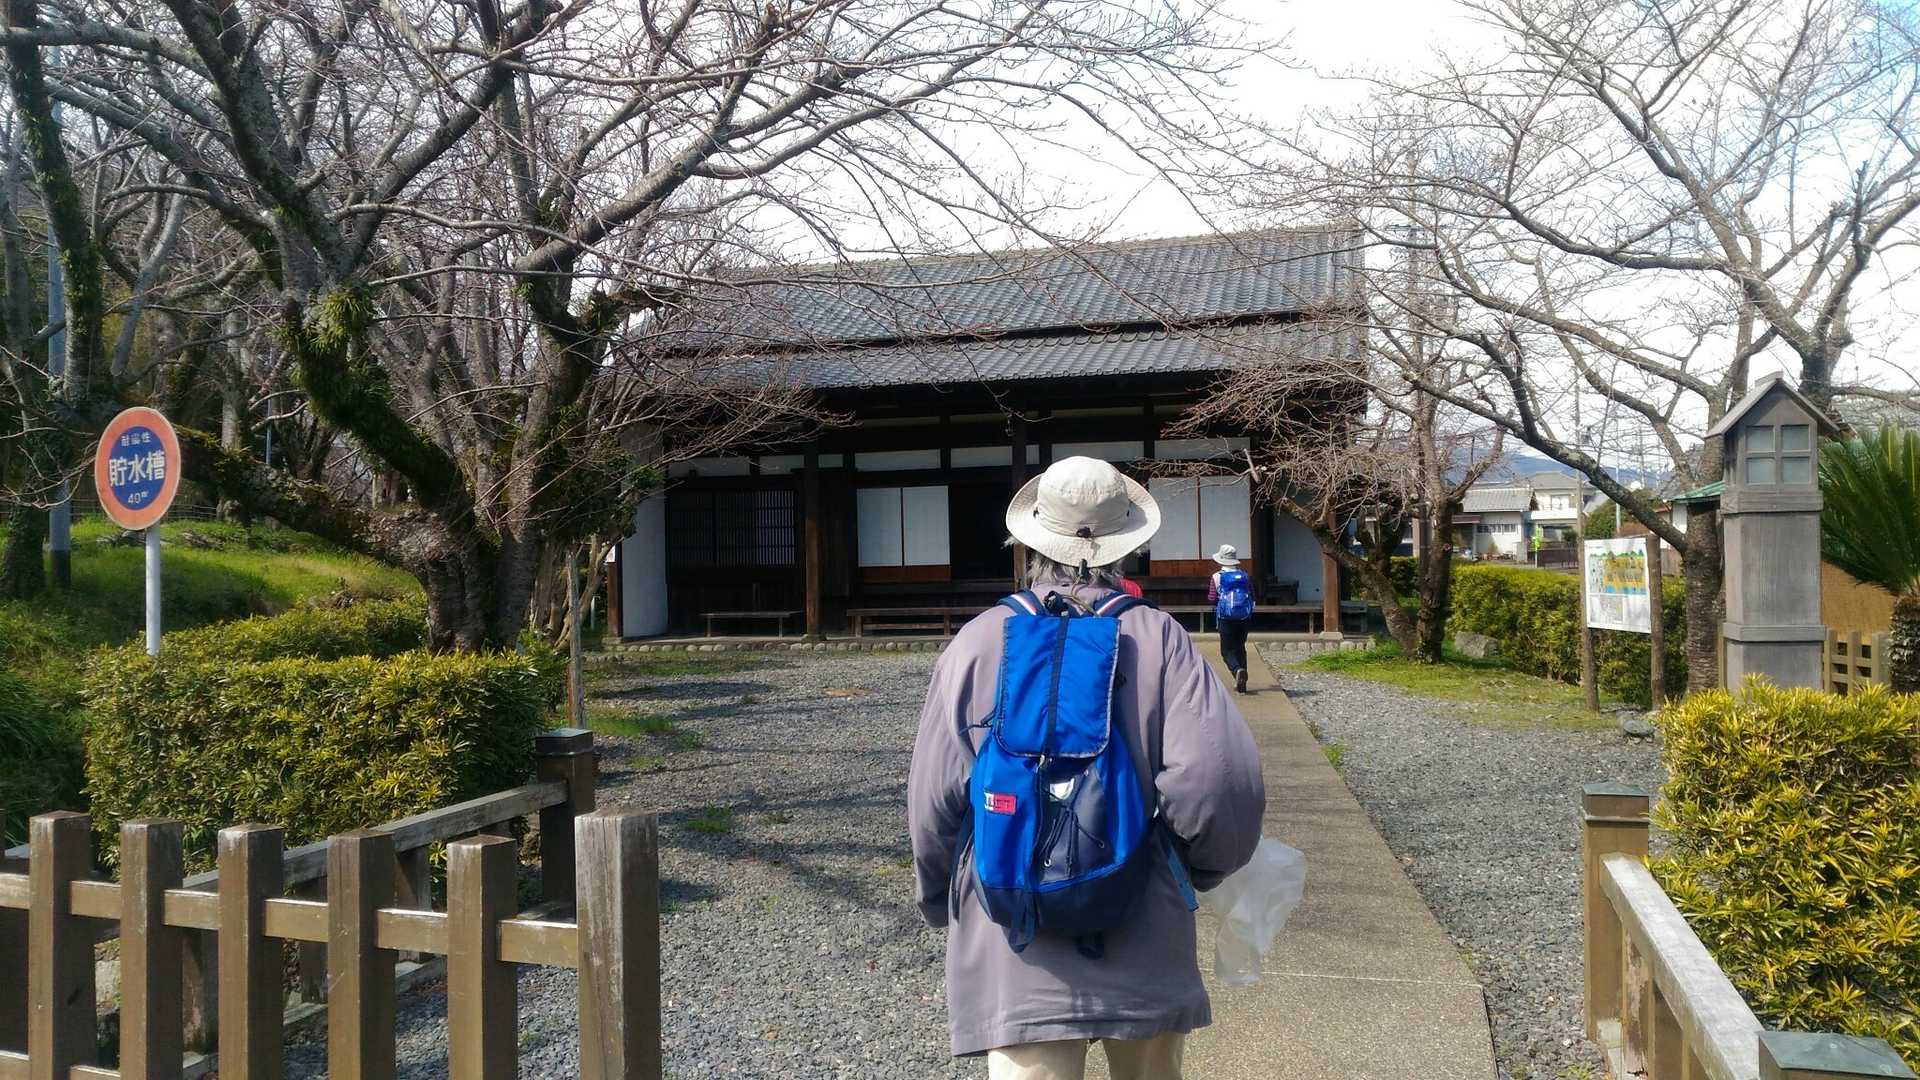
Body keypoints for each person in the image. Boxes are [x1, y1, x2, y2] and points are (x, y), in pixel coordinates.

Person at [908, 456, 1266, 1080]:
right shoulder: (1161, 638)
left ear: (1030, 540)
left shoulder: (977, 641)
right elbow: (1220, 783)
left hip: (1012, 929)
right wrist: (1199, 868)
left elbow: (934, 797)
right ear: (1127, 542)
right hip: (1141, 916)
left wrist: (940, 896)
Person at [1209, 544, 1255, 694]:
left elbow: (1212, 598)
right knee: (1240, 647)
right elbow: (1252, 595)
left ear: (1221, 560)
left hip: (1225, 617)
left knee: (1226, 650)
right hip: (1244, 616)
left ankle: (1237, 671)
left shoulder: (1216, 576)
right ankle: (1243, 682)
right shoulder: (1245, 575)